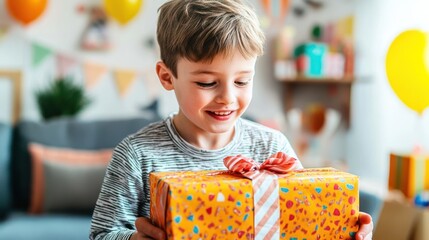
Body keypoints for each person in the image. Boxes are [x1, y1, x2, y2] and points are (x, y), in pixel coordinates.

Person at [89, 0, 373, 239]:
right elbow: (102, 234)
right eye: (207, 83)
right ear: (167, 77)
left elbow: (301, 222)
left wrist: (344, 229)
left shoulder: (271, 146)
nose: (227, 97)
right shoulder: (137, 155)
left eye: (242, 81)